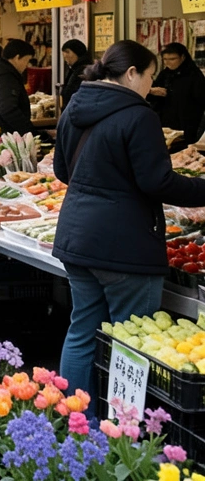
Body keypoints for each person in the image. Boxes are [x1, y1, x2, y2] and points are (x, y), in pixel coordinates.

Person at [53, 40, 205, 399]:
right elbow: (158, 181)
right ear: (132, 73)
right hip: (125, 247)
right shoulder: (139, 115)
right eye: (150, 76)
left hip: (77, 238)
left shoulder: (76, 104)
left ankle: (74, 420)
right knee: (130, 340)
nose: (152, 86)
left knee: (82, 331)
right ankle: (122, 433)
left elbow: (62, 169)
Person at [150, 42, 205, 143]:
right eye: (165, 59)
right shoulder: (165, 74)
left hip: (187, 126)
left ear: (183, 57)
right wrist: (153, 92)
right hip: (165, 126)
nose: (168, 63)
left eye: (172, 59)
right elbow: (155, 100)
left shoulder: (194, 76)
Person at [0, 38, 35, 134]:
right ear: (17, 57)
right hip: (8, 136)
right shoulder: (7, 77)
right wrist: (30, 131)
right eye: (27, 60)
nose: (27, 65)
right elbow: (8, 110)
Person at [60, 40, 94, 107]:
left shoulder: (82, 71)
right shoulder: (75, 69)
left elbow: (71, 93)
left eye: (67, 52)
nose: (65, 56)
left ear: (76, 53)